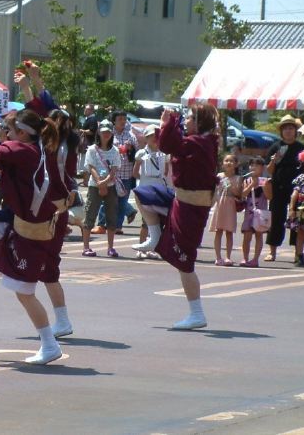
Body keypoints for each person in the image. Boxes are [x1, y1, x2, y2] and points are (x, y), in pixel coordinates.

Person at [0, 108, 69, 364]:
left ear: (22, 132)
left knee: (24, 292)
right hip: (18, 221)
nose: (5, 135)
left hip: (30, 232)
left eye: (9, 130)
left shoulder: (24, 151)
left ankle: (49, 344)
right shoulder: (33, 149)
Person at [132, 104, 219, 330]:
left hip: (192, 206)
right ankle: (154, 235)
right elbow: (171, 144)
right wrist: (170, 124)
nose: (186, 122)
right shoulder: (201, 141)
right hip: (181, 200)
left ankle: (196, 313)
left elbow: (169, 144)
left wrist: (166, 122)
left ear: (200, 123)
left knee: (185, 262)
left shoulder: (200, 142)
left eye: (189, 118)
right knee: (143, 193)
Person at [264, 114, 304, 262]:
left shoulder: (302, 148)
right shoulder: (276, 147)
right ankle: (272, 251)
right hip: (278, 186)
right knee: (276, 218)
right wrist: (273, 161)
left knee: (297, 219)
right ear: (281, 131)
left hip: (297, 188)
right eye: (285, 129)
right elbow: (269, 170)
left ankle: (297, 252)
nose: (288, 131)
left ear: (295, 130)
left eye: (290, 128)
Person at [93, 110, 138, 235]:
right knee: (105, 199)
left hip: (126, 173)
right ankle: (101, 225)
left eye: (125, 119)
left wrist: (130, 149)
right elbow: (102, 150)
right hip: (110, 174)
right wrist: (117, 149)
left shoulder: (131, 136)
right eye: (120, 119)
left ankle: (117, 226)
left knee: (122, 202)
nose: (123, 121)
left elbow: (137, 154)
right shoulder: (109, 134)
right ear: (114, 121)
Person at [81, 120, 120, 257]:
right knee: (90, 214)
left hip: (110, 185)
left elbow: (114, 169)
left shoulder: (115, 150)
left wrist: (105, 182)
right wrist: (99, 182)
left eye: (108, 132)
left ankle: (110, 247)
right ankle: (86, 247)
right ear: (99, 132)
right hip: (94, 185)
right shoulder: (92, 149)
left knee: (111, 216)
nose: (106, 134)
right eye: (103, 132)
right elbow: (91, 167)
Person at [132, 124, 168, 260]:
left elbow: (166, 172)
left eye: (156, 135)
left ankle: (154, 248)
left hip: (159, 189)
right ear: (146, 138)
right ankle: (142, 246)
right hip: (146, 190)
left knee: (158, 221)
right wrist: (145, 181)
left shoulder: (163, 153)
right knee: (145, 221)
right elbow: (135, 173)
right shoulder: (141, 153)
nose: (154, 138)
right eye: (150, 136)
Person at [208, 154, 242, 266]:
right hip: (219, 205)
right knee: (218, 231)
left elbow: (238, 193)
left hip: (230, 205)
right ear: (222, 163)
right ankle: (218, 257)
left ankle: (228, 257)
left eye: (231, 161)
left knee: (229, 232)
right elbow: (214, 191)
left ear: (236, 164)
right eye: (226, 160)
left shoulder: (238, 178)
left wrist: (230, 185)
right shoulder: (219, 175)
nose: (228, 163)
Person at [239, 157, 271, 268]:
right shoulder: (247, 181)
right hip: (249, 212)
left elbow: (269, 196)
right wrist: (251, 185)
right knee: (247, 235)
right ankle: (245, 258)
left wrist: (264, 185)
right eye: (252, 165)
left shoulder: (265, 181)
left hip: (260, 212)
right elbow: (242, 194)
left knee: (259, 235)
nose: (253, 168)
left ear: (262, 168)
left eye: (257, 166)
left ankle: (255, 259)